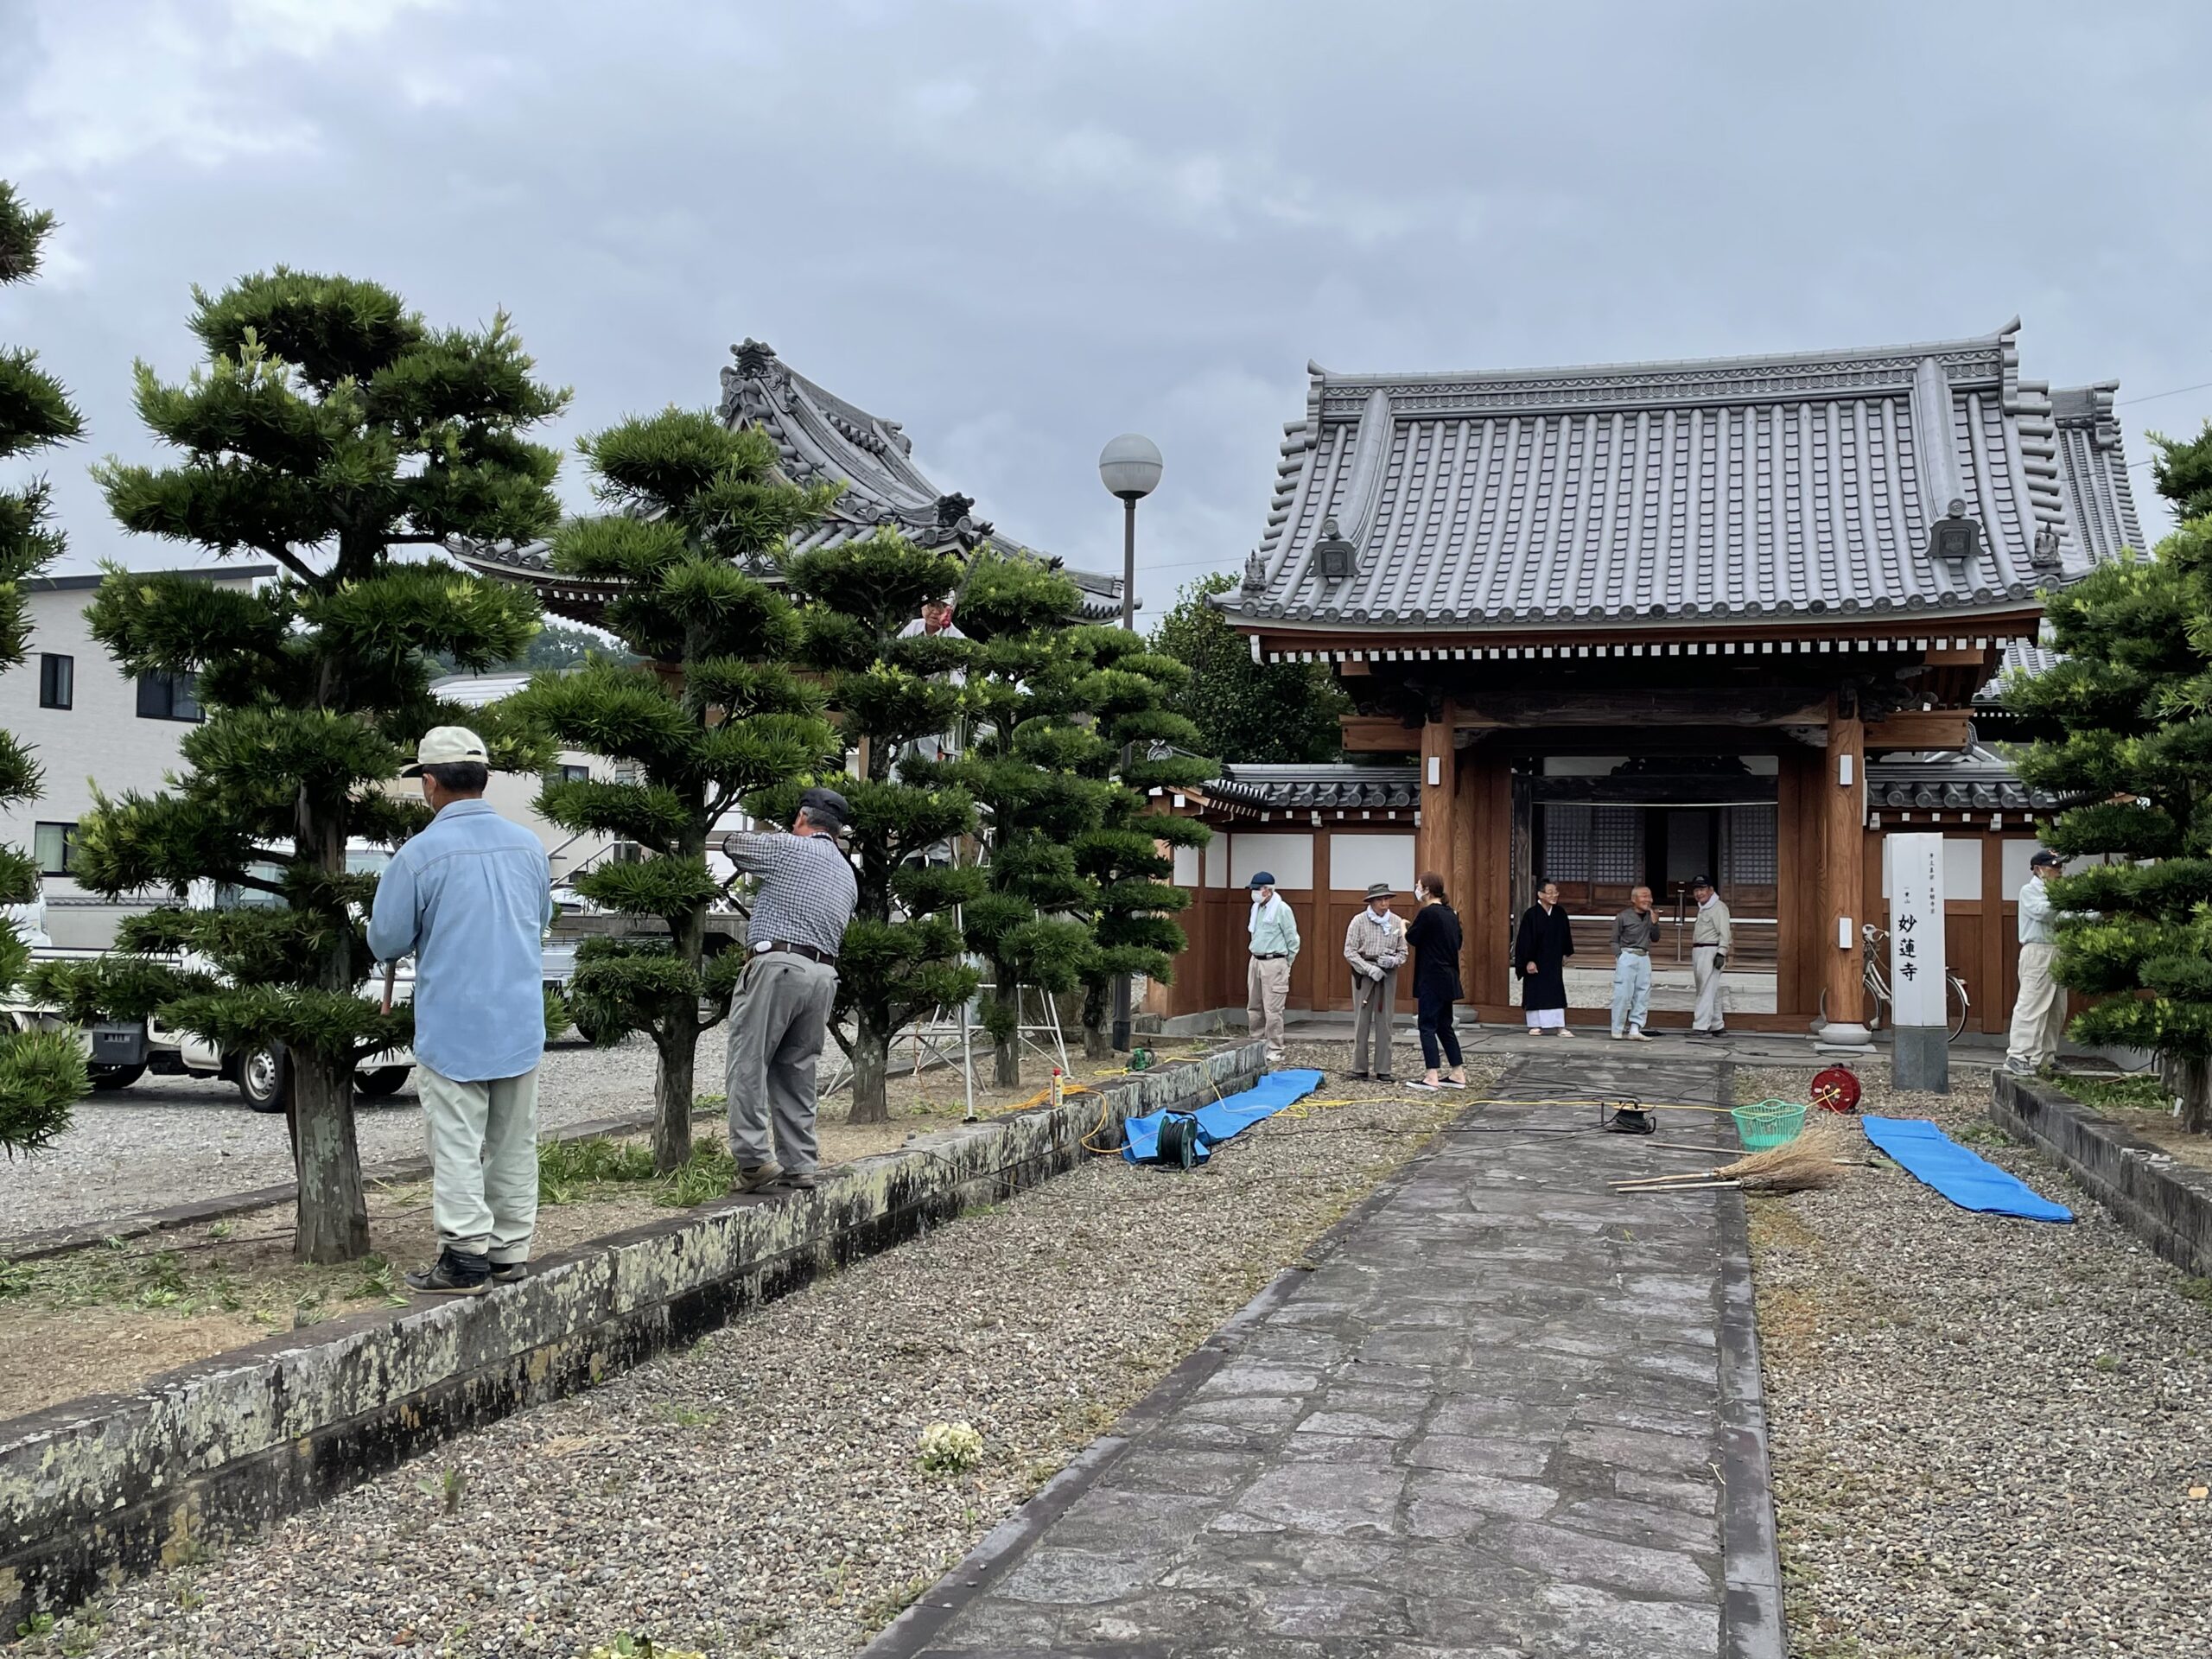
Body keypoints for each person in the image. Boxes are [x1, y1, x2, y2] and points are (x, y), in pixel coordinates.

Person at [368, 727, 554, 1296]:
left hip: (454, 1023)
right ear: (485, 778)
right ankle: (509, 1252)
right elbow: (542, 918)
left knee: (456, 1140)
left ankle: (466, 1255)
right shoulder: (528, 846)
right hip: (519, 1017)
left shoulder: (419, 855)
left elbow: (386, 941)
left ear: (429, 783)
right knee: (513, 1140)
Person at [721, 787, 861, 1192]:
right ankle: (800, 1163)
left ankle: (752, 1160)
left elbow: (736, 844)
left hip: (778, 963)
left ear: (802, 818)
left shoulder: (790, 848)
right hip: (823, 975)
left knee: (748, 1061)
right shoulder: (846, 872)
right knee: (797, 1069)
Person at [1404, 872, 1467, 1090]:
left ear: (1428, 890)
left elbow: (1412, 938)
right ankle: (1457, 1073)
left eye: (1419, 885)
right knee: (1444, 1025)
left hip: (1431, 977)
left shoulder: (1427, 913)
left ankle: (1431, 1075)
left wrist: (1404, 927)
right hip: (1449, 977)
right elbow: (1457, 942)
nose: (1417, 889)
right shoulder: (1452, 913)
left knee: (1427, 1025)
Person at [2005, 850, 2066, 1077]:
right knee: (2031, 1004)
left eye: (2061, 867)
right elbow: (2044, 913)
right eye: (2054, 867)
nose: (2059, 872)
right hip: (2038, 951)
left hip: (2059, 950)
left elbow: (2070, 917)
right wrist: (2065, 901)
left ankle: (2045, 1057)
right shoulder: (2029, 891)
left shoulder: (2058, 893)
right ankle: (2018, 1055)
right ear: (2039, 869)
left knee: (2056, 1009)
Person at [1342, 880, 1406, 1081]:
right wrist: (1368, 969)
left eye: (1387, 899)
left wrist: (1393, 961)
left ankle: (1383, 1069)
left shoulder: (1396, 922)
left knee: (1385, 1021)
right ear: (1371, 902)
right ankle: (1359, 1067)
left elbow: (1404, 952)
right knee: (1362, 1021)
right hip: (1364, 973)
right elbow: (1349, 951)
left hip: (1388, 974)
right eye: (1380, 900)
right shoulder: (1358, 921)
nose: (1385, 903)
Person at [1245, 871, 1299, 1065]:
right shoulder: (1256, 908)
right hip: (1256, 960)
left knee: (1273, 1009)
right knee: (1254, 1006)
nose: (1253, 893)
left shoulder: (1282, 909)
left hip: (1275, 961)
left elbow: (1293, 939)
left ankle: (1274, 1048)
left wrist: (1286, 964)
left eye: (1256, 889)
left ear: (1267, 891)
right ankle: (1256, 1043)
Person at [1515, 880, 1574, 1037]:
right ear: (1540, 894)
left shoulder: (1560, 913)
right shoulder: (1531, 914)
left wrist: (1565, 953)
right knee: (1536, 990)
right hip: (1536, 960)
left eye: (1556, 892)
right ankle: (1535, 1025)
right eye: (1550, 892)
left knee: (1555, 990)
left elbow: (1565, 936)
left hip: (1553, 960)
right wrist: (1529, 960)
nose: (1554, 895)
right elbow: (1525, 940)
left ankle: (1559, 1026)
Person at [1610, 885, 1657, 1041]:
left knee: (1643, 993)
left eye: (1649, 896)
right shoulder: (1623, 916)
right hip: (1627, 955)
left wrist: (1655, 923)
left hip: (1644, 956)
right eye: (1644, 896)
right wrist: (1620, 956)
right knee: (1623, 994)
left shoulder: (1651, 915)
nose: (1648, 900)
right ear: (1633, 899)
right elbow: (1614, 940)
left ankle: (1635, 1029)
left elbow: (1656, 938)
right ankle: (1617, 1028)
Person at [1688, 875, 1732, 1038]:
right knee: (1709, 989)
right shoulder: (1704, 907)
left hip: (1711, 950)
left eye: (1702, 889)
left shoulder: (1718, 907)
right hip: (1700, 950)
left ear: (1711, 890)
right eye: (1696, 890)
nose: (1699, 893)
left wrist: (1721, 952)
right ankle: (1717, 1025)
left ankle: (1701, 1026)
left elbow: (1724, 932)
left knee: (1705, 990)